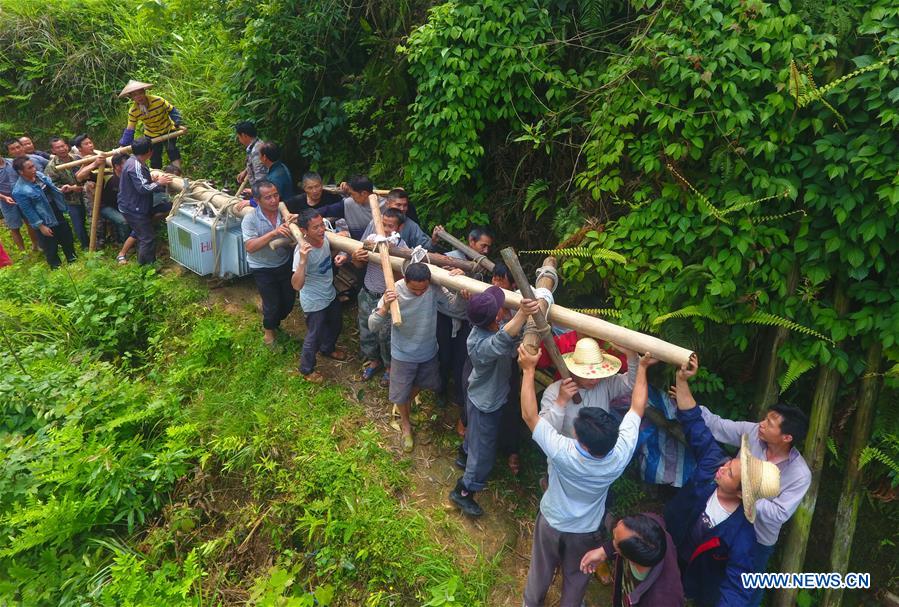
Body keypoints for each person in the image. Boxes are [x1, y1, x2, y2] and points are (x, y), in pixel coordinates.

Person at [517, 343, 655, 607]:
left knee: (540, 571)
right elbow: (637, 407)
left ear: (578, 438)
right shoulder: (619, 454)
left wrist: (528, 370)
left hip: (553, 520)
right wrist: (643, 368)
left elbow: (529, 415)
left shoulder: (562, 451)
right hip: (586, 529)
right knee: (577, 577)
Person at [664, 355, 781, 607]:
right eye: (730, 462)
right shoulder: (713, 464)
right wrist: (682, 380)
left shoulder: (742, 535)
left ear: (742, 494)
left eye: (729, 473)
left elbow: (737, 587)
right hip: (666, 546)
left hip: (693, 583)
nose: (723, 468)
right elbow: (695, 424)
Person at [696, 398, 810, 606]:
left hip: (758, 538)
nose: (762, 424)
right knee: (714, 576)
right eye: (765, 418)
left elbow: (779, 514)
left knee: (746, 590)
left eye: (770, 423)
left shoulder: (800, 474)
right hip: (727, 520)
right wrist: (689, 404)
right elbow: (718, 425)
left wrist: (746, 493)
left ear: (787, 437)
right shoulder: (754, 433)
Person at [449, 287, 541, 517]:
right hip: (485, 402)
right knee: (484, 452)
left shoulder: (491, 328)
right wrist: (521, 314)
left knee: (475, 437)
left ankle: (463, 453)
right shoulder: (480, 344)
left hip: (481, 395)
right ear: (496, 316)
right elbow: (501, 342)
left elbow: (508, 342)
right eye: (500, 307)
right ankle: (464, 491)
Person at [369, 262, 465, 452]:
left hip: (428, 351)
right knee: (400, 393)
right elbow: (372, 325)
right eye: (415, 290)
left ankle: (407, 407)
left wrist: (460, 290)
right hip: (402, 354)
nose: (420, 293)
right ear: (405, 281)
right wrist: (385, 307)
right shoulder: (394, 291)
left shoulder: (433, 288)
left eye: (424, 289)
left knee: (424, 383)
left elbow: (455, 308)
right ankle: (406, 425)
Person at [435, 225, 494, 419]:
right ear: (471, 242)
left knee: (462, 359)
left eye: (488, 248)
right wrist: (457, 277)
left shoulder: (483, 265)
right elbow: (441, 285)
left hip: (467, 319)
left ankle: (460, 397)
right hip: (446, 315)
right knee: (443, 355)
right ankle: (440, 390)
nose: (485, 251)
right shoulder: (449, 257)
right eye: (483, 246)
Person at [291, 209, 349, 382]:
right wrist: (302, 261)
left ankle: (328, 349)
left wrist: (340, 251)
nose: (321, 230)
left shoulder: (324, 239)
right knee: (313, 336)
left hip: (329, 294)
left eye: (322, 225)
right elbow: (296, 285)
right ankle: (306, 369)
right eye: (315, 227)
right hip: (314, 302)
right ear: (304, 231)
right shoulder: (301, 252)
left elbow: (335, 245)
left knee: (336, 324)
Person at [352, 208, 408, 385]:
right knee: (367, 330)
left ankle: (390, 368)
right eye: (382, 224)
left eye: (389, 226)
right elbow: (358, 265)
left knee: (386, 336)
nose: (384, 229)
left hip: (387, 299)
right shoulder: (371, 241)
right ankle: (373, 360)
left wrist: (391, 259)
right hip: (367, 293)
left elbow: (403, 280)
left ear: (399, 228)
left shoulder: (404, 249)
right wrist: (356, 257)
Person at [540, 337, 638, 438]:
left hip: (600, 450)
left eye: (598, 375)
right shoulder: (554, 392)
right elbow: (545, 433)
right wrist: (560, 402)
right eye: (588, 376)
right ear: (574, 371)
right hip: (568, 451)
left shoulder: (605, 383)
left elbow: (632, 384)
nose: (595, 380)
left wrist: (632, 356)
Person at [579, 513, 685, 607]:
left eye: (615, 541)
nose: (612, 541)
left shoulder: (663, 600)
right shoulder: (652, 525)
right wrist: (605, 551)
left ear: (631, 560)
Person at [241, 180, 297, 346]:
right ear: (257, 201)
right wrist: (274, 233)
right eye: (268, 198)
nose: (273, 200)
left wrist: (298, 221)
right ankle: (269, 333)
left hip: (284, 262)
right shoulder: (250, 219)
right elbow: (250, 247)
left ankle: (272, 320)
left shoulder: (284, 212)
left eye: (275, 195)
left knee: (288, 302)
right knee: (272, 304)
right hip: (262, 268)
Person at [10, 157, 77, 268]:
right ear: (21, 172)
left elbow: (52, 189)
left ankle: (73, 261)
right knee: (51, 246)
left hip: (56, 211)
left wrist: (60, 191)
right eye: (30, 167)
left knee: (67, 238)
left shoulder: (40, 176)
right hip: (44, 218)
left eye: (33, 166)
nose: (34, 169)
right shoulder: (19, 190)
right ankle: (56, 269)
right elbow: (28, 211)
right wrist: (41, 226)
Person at [117, 137, 173, 265]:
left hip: (135, 205)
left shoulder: (135, 161)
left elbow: (140, 183)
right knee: (147, 238)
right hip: (133, 208)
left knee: (167, 206)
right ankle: (146, 267)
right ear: (149, 151)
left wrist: (151, 180)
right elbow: (143, 188)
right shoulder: (135, 165)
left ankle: (145, 264)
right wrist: (159, 182)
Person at [118, 79, 184, 169]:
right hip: (151, 134)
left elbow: (172, 111)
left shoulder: (158, 100)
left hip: (168, 130)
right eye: (134, 95)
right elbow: (130, 129)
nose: (138, 97)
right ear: (131, 98)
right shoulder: (133, 111)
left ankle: (178, 171)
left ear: (144, 92)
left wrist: (178, 124)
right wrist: (123, 145)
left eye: (140, 93)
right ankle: (157, 175)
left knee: (172, 150)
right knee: (154, 156)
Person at [45, 136, 90, 249]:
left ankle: (97, 242)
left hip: (86, 195)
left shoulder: (77, 158)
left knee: (92, 219)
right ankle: (86, 246)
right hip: (70, 200)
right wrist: (70, 188)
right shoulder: (52, 166)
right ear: (53, 150)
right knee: (78, 224)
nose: (62, 149)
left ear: (67, 146)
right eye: (58, 147)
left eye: (63, 146)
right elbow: (52, 185)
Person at [318, 174, 382, 240]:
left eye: (352, 194)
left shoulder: (386, 206)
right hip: (356, 248)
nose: (351, 196)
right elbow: (325, 211)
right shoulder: (349, 203)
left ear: (364, 193)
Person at [0, 153, 41, 252]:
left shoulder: (12, 162)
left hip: (22, 197)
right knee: (14, 227)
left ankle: (36, 245)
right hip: (6, 202)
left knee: (30, 221)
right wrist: (4, 197)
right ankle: (22, 251)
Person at [235, 121, 267, 189]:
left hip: (262, 194)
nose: (239, 140)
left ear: (244, 135)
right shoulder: (258, 143)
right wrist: (246, 171)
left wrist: (254, 193)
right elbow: (254, 164)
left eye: (239, 137)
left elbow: (261, 179)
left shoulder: (256, 152)